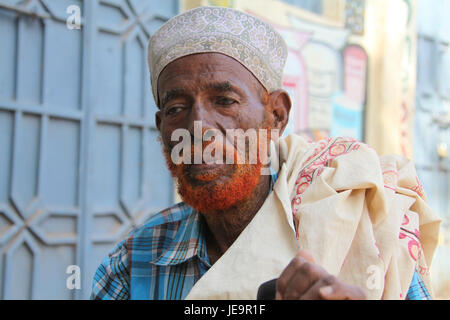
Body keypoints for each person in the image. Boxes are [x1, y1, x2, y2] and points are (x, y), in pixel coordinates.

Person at [91, 6, 441, 300]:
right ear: (161, 128)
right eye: (176, 108)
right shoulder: (133, 265)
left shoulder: (364, 222)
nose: (197, 126)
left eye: (225, 101)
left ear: (276, 115)